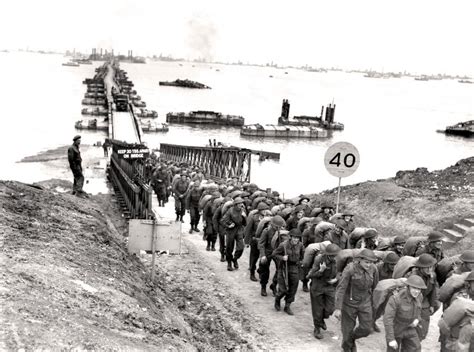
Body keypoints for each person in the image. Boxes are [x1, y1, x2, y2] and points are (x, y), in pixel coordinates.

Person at [334, 249, 379, 352]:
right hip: (349, 303)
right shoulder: (350, 269)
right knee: (347, 331)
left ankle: (351, 339)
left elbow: (375, 287)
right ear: (360, 260)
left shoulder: (374, 269)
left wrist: (374, 303)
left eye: (371, 262)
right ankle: (347, 348)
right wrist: (338, 308)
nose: (369, 265)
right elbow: (341, 288)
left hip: (365, 302)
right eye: (367, 262)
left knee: (367, 329)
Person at [307, 243, 341, 339]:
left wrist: (336, 279)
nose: (333, 257)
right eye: (332, 255)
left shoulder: (338, 260)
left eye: (335, 255)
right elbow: (311, 275)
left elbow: (340, 272)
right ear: (327, 254)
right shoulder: (319, 259)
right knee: (317, 309)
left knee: (330, 309)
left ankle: (321, 320)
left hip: (330, 287)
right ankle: (317, 328)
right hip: (318, 286)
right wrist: (321, 271)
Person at [383, 275, 425, 352]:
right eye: (414, 288)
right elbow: (388, 319)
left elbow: (418, 310)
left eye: (419, 289)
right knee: (393, 349)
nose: (417, 291)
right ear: (408, 287)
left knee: (416, 348)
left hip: (410, 328)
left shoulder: (419, 297)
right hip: (397, 328)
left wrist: (417, 319)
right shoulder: (396, 299)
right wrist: (391, 339)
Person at [405, 253, 440, 341]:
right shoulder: (413, 276)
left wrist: (432, 305)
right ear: (420, 267)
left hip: (424, 301)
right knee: (411, 326)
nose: (429, 269)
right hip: (412, 302)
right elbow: (406, 294)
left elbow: (433, 291)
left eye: (431, 267)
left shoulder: (432, 275)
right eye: (427, 267)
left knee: (423, 330)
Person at [273, 228, 304, 315]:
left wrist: (301, 262)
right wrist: (282, 258)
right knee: (283, 289)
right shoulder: (283, 245)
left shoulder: (300, 245)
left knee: (293, 288)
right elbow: (275, 254)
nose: (296, 240)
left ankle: (287, 305)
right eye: (294, 238)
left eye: (298, 238)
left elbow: (303, 256)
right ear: (290, 237)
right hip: (284, 268)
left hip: (294, 268)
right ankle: (277, 299)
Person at [258, 215, 286, 296]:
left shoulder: (282, 232)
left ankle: (274, 285)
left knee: (279, 270)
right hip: (267, 252)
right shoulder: (266, 231)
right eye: (276, 226)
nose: (278, 228)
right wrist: (263, 255)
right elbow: (261, 244)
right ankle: (263, 287)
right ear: (272, 224)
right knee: (265, 271)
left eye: (280, 227)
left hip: (277, 252)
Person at [244, 202, 270, 282]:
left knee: (263, 257)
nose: (264, 211)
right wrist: (247, 242)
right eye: (262, 209)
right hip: (255, 240)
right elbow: (248, 230)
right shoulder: (254, 218)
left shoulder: (268, 218)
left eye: (265, 209)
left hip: (264, 241)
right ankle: (252, 272)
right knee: (254, 257)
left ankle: (260, 270)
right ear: (259, 210)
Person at [221, 197, 247, 271]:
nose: (241, 205)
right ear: (235, 205)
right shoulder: (230, 211)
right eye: (239, 203)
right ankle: (229, 263)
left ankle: (235, 259)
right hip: (231, 230)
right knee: (229, 248)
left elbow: (245, 223)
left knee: (241, 247)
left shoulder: (243, 211)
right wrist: (228, 225)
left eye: (241, 203)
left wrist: (245, 217)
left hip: (239, 229)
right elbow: (222, 221)